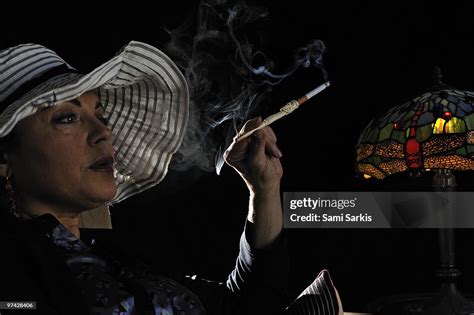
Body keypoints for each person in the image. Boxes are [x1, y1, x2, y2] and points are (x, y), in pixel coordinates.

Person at [0, 41, 341, 315]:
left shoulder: (121, 260)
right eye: (66, 118)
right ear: (6, 155)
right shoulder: (14, 275)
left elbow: (248, 306)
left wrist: (262, 188)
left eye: (100, 114)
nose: (103, 132)